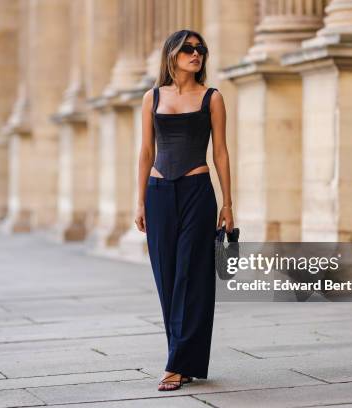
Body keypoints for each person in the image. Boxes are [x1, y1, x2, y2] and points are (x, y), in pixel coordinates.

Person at [134, 29, 234, 392]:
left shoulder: (212, 98)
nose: (196, 55)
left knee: (192, 275)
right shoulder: (152, 97)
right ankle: (183, 359)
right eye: (188, 49)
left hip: (197, 191)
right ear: (172, 55)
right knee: (167, 277)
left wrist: (228, 204)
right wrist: (140, 200)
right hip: (159, 192)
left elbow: (220, 152)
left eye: (200, 50)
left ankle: (176, 364)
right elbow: (146, 151)